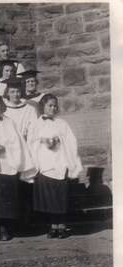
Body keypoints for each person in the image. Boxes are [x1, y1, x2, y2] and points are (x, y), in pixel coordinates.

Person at [0, 94, 36, 241]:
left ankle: (6, 228)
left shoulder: (10, 122)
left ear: (1, 105)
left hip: (7, 164)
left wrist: (5, 147)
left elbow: (17, 143)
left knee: (6, 199)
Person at [27, 94, 83, 239]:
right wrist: (42, 141)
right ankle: (53, 225)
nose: (52, 108)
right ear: (43, 107)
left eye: (54, 106)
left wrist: (59, 141)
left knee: (60, 197)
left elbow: (71, 141)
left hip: (60, 162)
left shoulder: (62, 123)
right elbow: (31, 142)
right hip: (45, 164)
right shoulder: (36, 124)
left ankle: (62, 225)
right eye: (49, 105)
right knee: (50, 199)